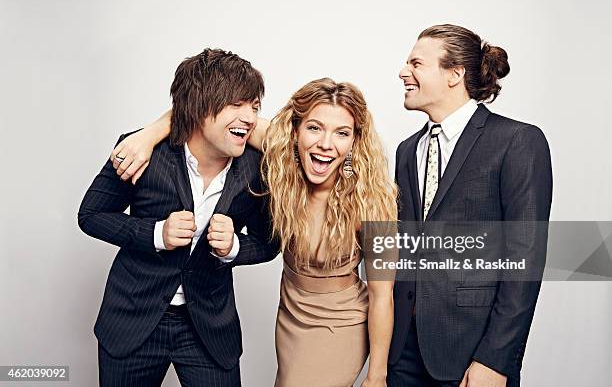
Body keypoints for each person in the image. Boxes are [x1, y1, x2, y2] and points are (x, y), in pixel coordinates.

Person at [112, 78, 398, 386]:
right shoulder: (284, 161)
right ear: (295, 130)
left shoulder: (373, 200)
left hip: (342, 320)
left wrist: (377, 375)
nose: (326, 144)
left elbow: (383, 294)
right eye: (315, 128)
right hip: (292, 314)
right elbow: (209, 113)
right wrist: (149, 134)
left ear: (356, 140)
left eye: (342, 133)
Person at [78, 48, 278, 387]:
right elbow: (91, 214)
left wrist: (233, 247)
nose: (250, 118)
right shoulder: (141, 152)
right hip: (132, 321)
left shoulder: (258, 167)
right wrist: (156, 234)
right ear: (200, 107)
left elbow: (269, 243)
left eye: (255, 107)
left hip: (209, 330)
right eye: (237, 104)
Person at [389, 24, 552, 387]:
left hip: (472, 355)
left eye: (416, 63)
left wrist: (496, 359)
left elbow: (524, 261)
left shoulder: (518, 141)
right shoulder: (406, 150)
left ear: (454, 74)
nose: (403, 72)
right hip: (402, 352)